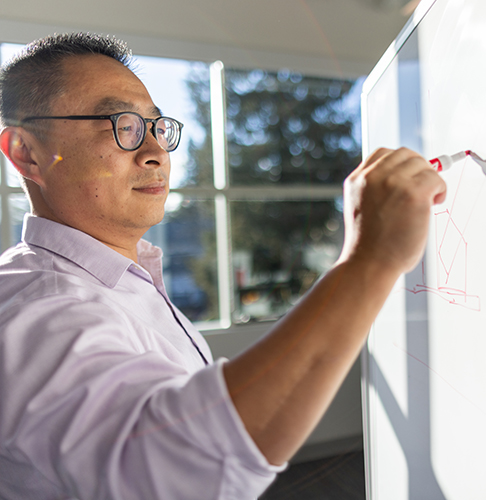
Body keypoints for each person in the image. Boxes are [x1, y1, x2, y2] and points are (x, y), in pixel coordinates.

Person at [0, 33, 446, 499]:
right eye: (122, 124)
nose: (155, 152)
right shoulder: (36, 308)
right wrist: (370, 259)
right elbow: (174, 472)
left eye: (157, 127)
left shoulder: (121, 279)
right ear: (26, 153)